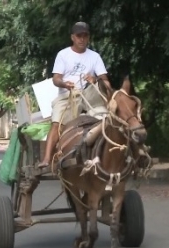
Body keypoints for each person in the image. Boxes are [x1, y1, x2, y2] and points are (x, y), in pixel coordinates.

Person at [38, 22, 111, 169]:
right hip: (67, 95)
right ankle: (46, 158)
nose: (82, 39)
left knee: (108, 117)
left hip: (88, 94)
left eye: (85, 36)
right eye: (79, 36)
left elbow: (105, 81)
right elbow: (56, 79)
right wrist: (65, 84)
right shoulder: (63, 55)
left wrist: (95, 80)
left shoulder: (95, 57)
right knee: (57, 123)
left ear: (88, 37)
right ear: (73, 37)